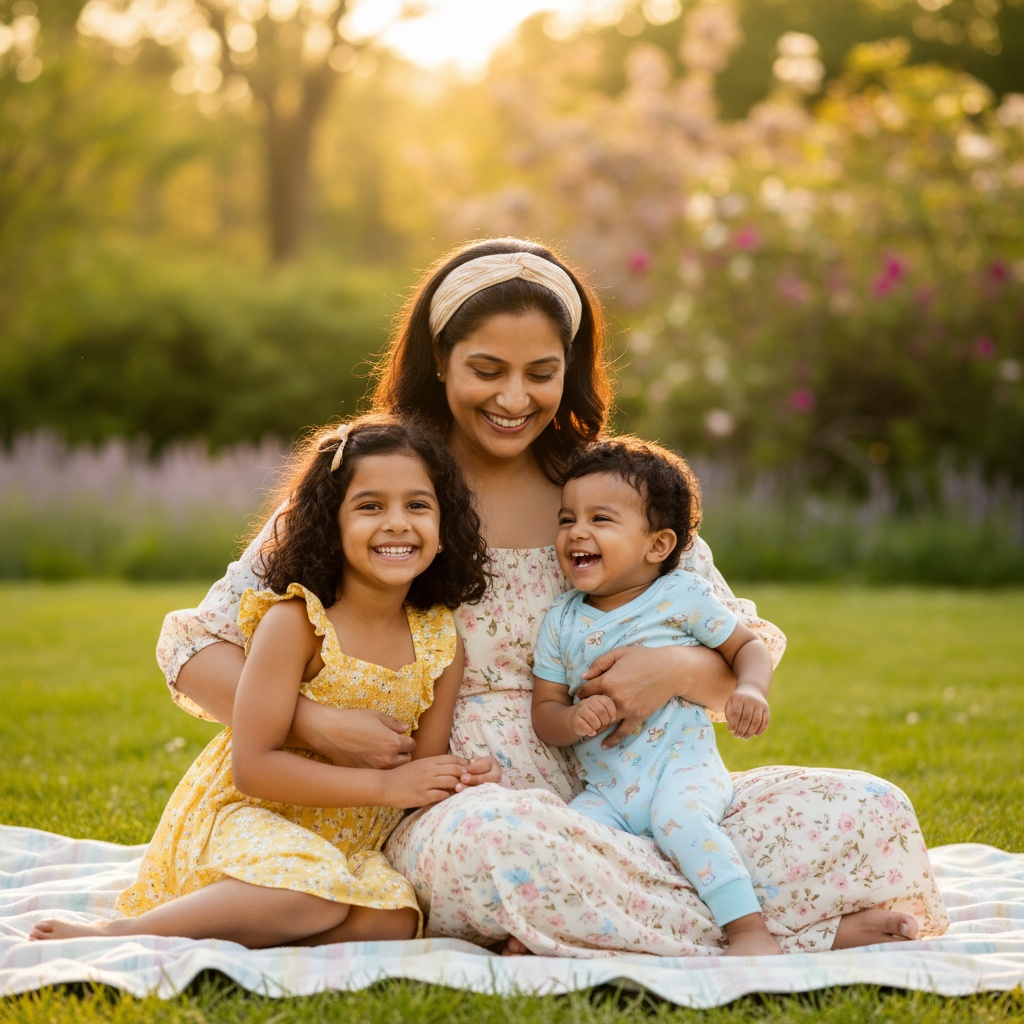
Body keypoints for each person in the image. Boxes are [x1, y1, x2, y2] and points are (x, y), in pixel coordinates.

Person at [155, 237, 949, 957]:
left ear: (571, 368)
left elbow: (731, 668)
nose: (514, 398)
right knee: (499, 843)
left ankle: (608, 922)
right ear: (440, 359)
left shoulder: (609, 494)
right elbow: (197, 650)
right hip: (455, 804)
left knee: (866, 807)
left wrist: (668, 670)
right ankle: (793, 930)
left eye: (542, 373)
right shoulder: (383, 489)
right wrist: (314, 722)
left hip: (628, 794)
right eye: (487, 370)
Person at [30, 414, 497, 948]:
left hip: (346, 842)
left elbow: (418, 769)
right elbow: (253, 767)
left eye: (418, 505)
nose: (396, 523)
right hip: (249, 819)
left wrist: (458, 778)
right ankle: (126, 931)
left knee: (393, 920)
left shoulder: (440, 640)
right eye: (370, 506)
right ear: (331, 525)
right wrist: (384, 786)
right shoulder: (296, 621)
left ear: (443, 531)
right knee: (311, 892)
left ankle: (260, 921)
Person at [532, 436, 782, 956]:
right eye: (566, 519)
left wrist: (752, 688)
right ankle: (541, 932)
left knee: (682, 824)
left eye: (600, 519)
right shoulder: (562, 620)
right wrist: (575, 719)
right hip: (607, 790)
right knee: (563, 844)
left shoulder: (681, 596)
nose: (577, 531)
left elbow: (747, 646)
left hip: (682, 770)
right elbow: (546, 713)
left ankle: (749, 931)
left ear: (658, 545)